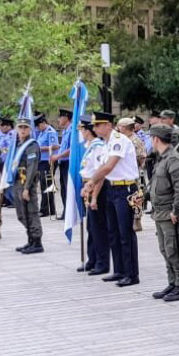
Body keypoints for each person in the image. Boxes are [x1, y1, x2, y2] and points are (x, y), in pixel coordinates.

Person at [89, 113, 140, 287]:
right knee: (113, 232)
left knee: (126, 233)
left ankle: (132, 274)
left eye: (97, 125)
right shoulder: (106, 144)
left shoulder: (119, 140)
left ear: (108, 125)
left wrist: (90, 182)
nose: (94, 129)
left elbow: (109, 166)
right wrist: (94, 189)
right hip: (112, 188)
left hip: (126, 189)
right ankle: (119, 270)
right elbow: (103, 169)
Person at [147, 125, 179, 302]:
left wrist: (177, 210)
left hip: (171, 213)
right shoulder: (163, 158)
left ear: (156, 139)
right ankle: (172, 283)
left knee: (176, 251)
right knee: (166, 250)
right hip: (161, 213)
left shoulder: (173, 159)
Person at [77, 117, 108, 273]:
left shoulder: (97, 147)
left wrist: (94, 195)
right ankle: (93, 259)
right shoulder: (89, 146)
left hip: (96, 188)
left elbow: (99, 174)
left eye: (81, 129)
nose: (80, 132)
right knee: (91, 226)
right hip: (88, 186)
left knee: (98, 227)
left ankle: (102, 263)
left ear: (86, 130)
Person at [9, 118, 43, 254]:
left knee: (31, 212)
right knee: (21, 214)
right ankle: (30, 239)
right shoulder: (18, 144)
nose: (23, 130)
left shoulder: (31, 146)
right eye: (20, 127)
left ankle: (36, 242)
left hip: (26, 183)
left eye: (25, 127)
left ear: (30, 129)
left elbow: (32, 167)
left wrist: (27, 188)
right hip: (18, 182)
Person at [51, 110, 73, 219]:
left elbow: (72, 148)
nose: (59, 120)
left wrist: (58, 156)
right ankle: (66, 212)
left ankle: (70, 213)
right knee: (64, 189)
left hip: (69, 162)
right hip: (63, 163)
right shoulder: (65, 131)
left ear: (66, 117)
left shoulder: (73, 130)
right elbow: (63, 147)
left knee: (68, 189)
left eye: (60, 117)